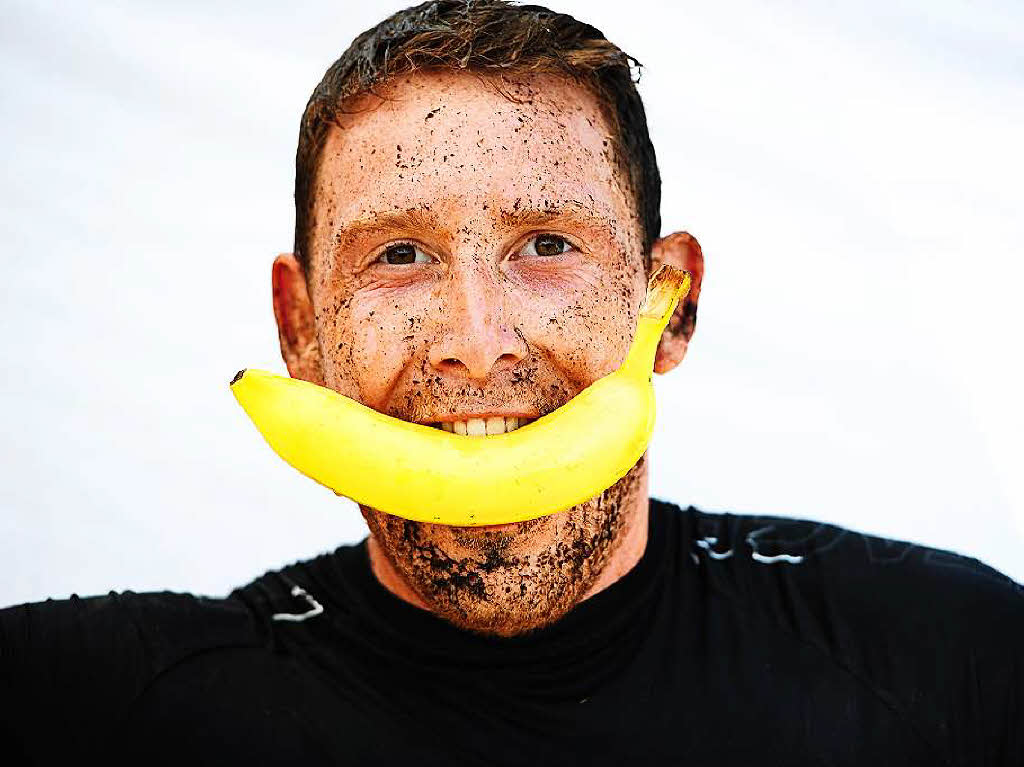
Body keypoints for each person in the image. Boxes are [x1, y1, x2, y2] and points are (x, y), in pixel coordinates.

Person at [3, 1, 1021, 764]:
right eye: (397, 256)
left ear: (669, 303)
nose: (475, 343)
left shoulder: (945, 657)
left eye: (546, 243)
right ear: (299, 327)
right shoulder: (130, 706)